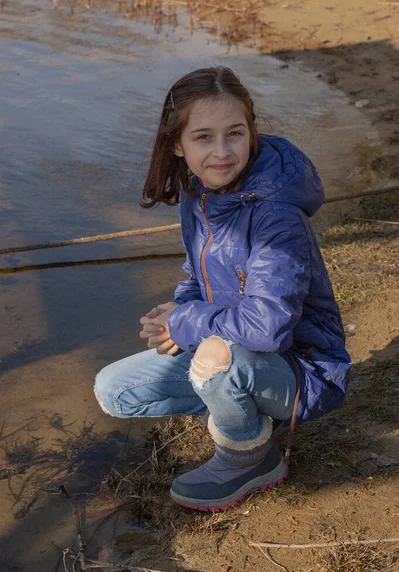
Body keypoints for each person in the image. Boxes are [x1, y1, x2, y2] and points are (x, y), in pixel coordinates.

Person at [94, 66, 351, 512]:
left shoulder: (276, 218)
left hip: (303, 369)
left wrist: (188, 322)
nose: (221, 152)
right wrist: (178, 312)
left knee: (215, 360)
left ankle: (249, 455)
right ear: (177, 143)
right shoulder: (201, 195)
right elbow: (198, 276)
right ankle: (239, 404)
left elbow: (268, 328)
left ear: (251, 133)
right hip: (237, 348)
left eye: (234, 133)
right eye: (203, 137)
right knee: (115, 390)